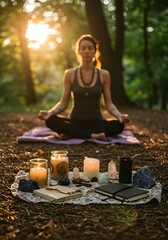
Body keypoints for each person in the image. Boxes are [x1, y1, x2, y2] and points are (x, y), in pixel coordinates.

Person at [38, 34, 130, 141]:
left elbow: (109, 105)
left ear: (95, 51)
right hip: (76, 121)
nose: (87, 51)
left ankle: (73, 133)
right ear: (79, 51)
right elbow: (63, 104)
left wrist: (120, 116)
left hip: (96, 121)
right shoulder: (70, 74)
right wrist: (49, 113)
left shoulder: (104, 75)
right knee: (50, 120)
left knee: (119, 125)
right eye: (83, 48)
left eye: (90, 48)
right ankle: (93, 135)